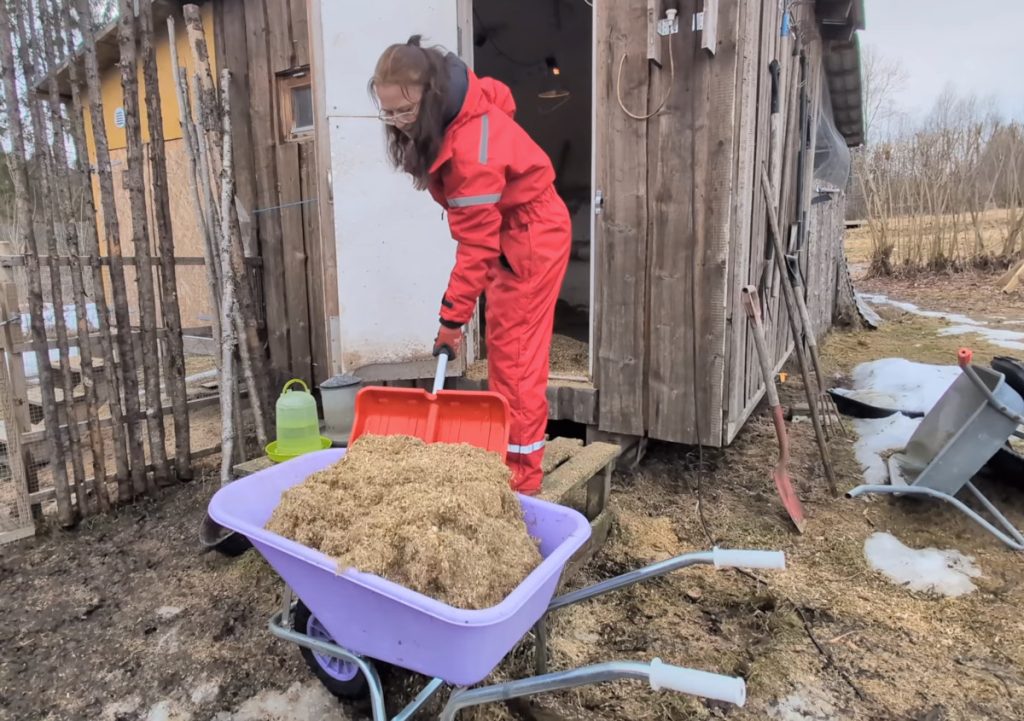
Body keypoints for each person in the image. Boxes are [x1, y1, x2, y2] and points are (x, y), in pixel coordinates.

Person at [370, 35, 571, 496]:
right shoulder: (465, 101)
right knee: (507, 348)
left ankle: (520, 480)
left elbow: (476, 247)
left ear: (431, 94)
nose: (399, 123)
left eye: (406, 111)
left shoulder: (469, 156)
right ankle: (510, 457)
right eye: (388, 113)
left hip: (529, 235)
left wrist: (451, 322)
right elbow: (502, 96)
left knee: (515, 359)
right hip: (511, 230)